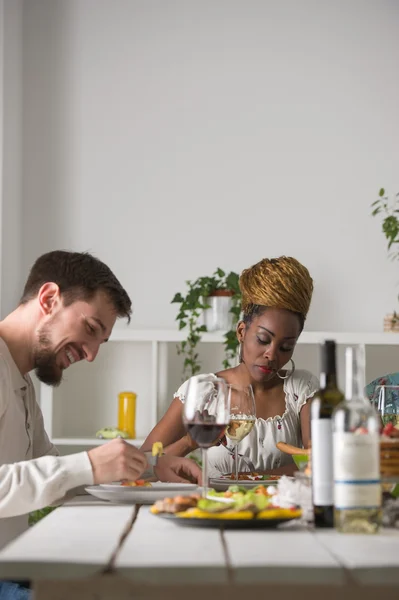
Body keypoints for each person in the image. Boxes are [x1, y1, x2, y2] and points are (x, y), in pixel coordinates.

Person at [0, 250, 201, 599]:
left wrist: (148, 466)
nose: (91, 355)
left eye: (100, 342)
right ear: (49, 298)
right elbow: (67, 473)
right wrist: (89, 464)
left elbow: (59, 477)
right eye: (91, 329)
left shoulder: (21, 384)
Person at [142, 256, 318, 477]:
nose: (271, 355)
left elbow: (317, 463)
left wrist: (250, 479)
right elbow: (139, 468)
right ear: (242, 331)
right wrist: (188, 442)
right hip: (215, 509)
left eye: (286, 346)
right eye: (263, 339)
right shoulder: (204, 391)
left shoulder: (301, 389)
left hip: (280, 510)